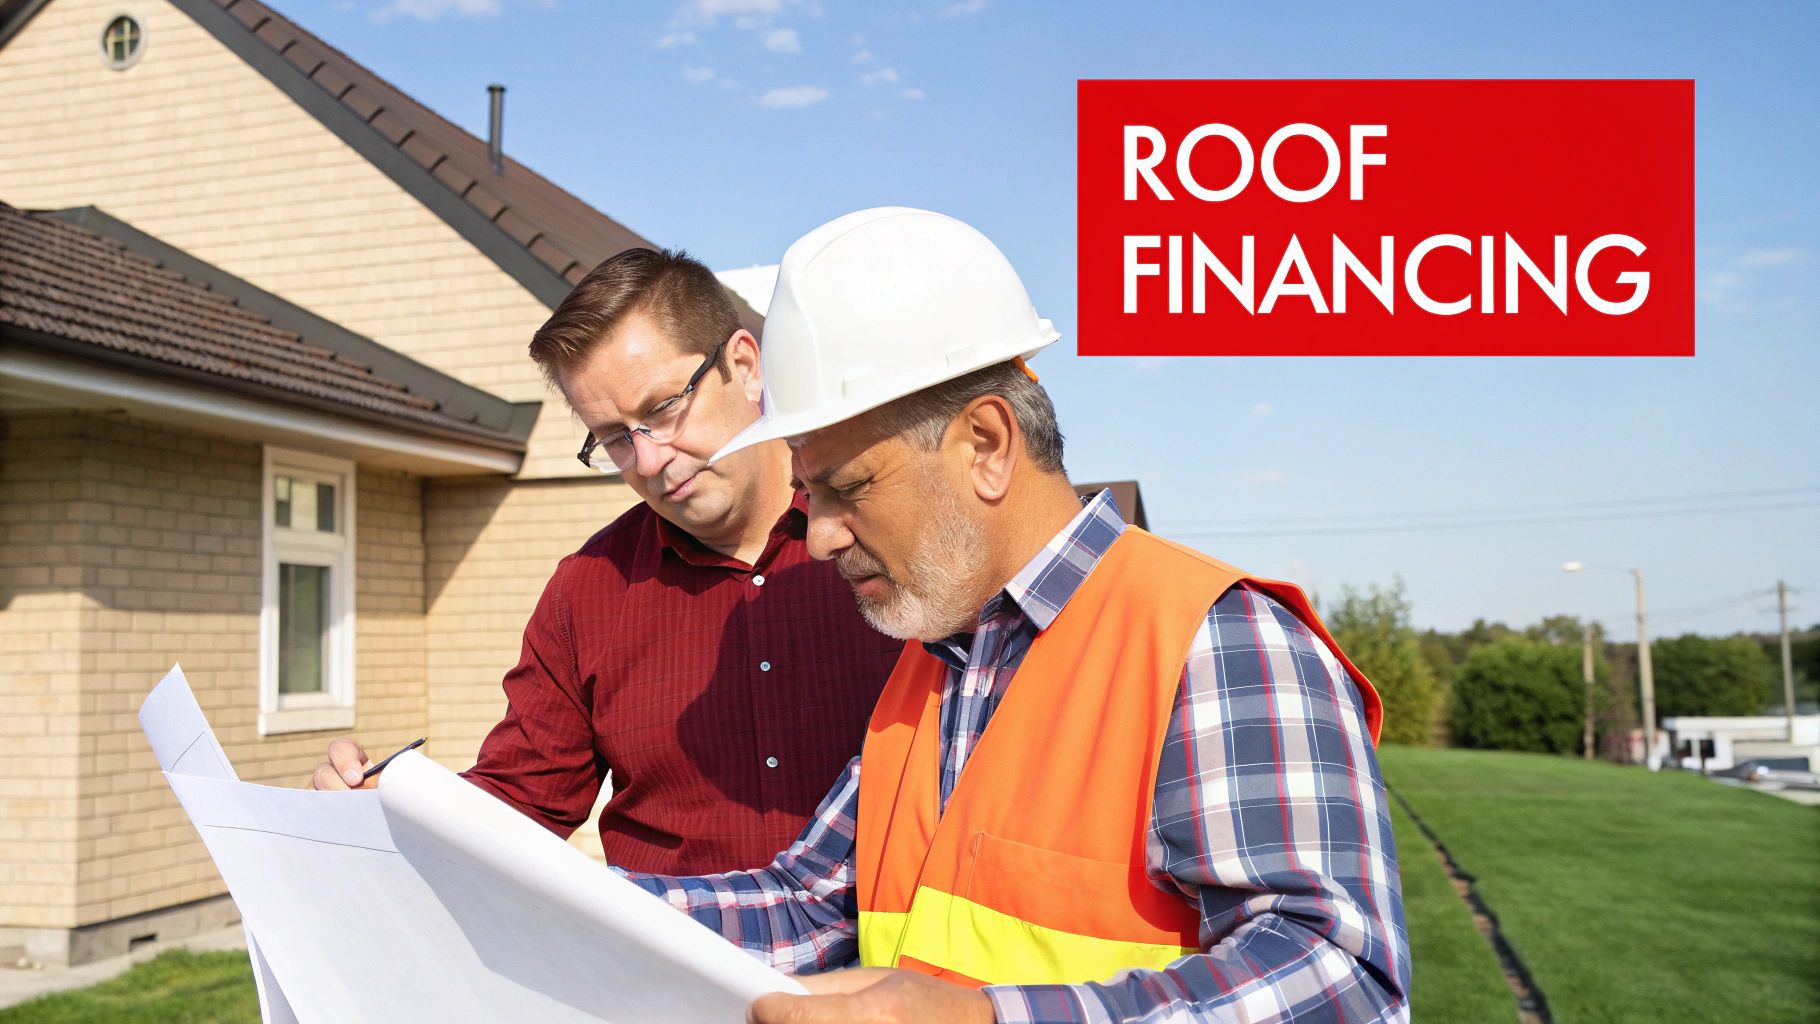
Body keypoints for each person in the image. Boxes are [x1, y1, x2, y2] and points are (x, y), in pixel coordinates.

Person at [618, 208, 1410, 1022]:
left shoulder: (1216, 642)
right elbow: (811, 907)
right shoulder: (935, 662)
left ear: (987, 444)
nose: (817, 537)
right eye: (809, 492)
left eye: (847, 488)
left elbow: (1340, 979)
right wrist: (584, 908)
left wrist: (991, 1019)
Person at [309, 248, 903, 874]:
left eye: (662, 410)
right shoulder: (586, 592)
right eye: (615, 438)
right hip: (669, 941)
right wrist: (392, 807)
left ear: (745, 366)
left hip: (890, 938)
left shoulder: (890, 532)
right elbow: (518, 802)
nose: (648, 461)